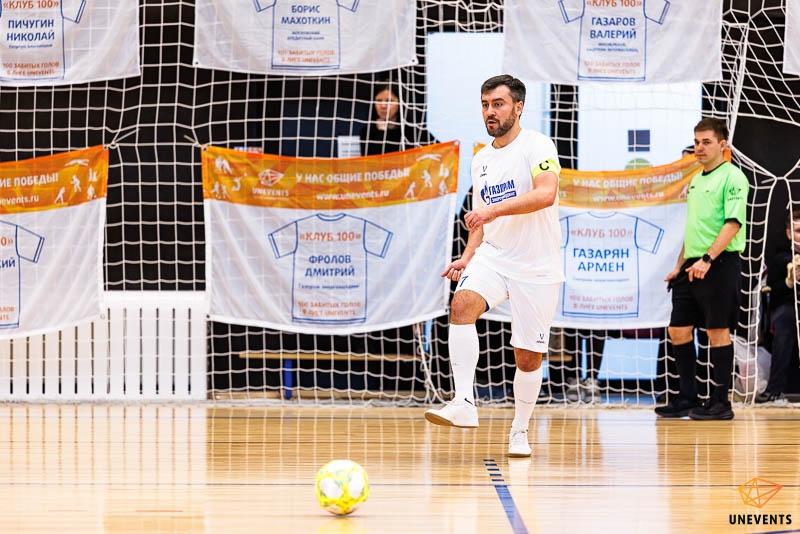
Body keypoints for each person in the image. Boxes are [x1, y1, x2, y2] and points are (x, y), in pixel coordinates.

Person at [424, 74, 564, 457]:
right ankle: (464, 403)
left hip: (536, 265)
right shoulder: (481, 158)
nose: (490, 111)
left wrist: (493, 210)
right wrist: (468, 255)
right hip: (494, 255)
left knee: (527, 357)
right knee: (461, 304)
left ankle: (520, 430)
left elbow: (546, 193)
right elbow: (481, 221)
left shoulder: (537, 144)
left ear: (518, 107)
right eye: (485, 104)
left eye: (498, 104)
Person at [655, 117, 749, 420]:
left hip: (718, 264)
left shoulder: (733, 177)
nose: (699, 147)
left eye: (706, 142)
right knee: (678, 330)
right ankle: (688, 397)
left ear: (722, 145)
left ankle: (721, 403)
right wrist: (679, 265)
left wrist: (707, 259)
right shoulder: (696, 179)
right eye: (696, 142)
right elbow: (694, 228)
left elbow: (733, 224)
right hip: (692, 265)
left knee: (717, 331)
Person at [758, 208, 800, 403]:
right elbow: (772, 292)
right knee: (784, 320)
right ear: (789, 233)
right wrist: (789, 282)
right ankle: (774, 389)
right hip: (789, 306)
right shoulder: (779, 257)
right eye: (798, 230)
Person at [359, 83, 408, 156]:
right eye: (379, 101)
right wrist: (381, 133)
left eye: (389, 101)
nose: (383, 106)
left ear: (400, 103)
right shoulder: (367, 133)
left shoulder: (413, 132)